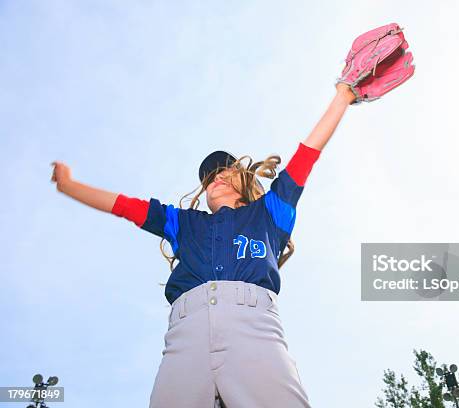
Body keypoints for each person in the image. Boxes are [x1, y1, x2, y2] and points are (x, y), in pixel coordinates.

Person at [51, 83, 357, 407]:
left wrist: (343, 96)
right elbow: (126, 206)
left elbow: (306, 156)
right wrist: (70, 186)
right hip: (187, 331)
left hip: (253, 326)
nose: (217, 177)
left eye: (226, 170)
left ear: (244, 179)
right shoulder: (183, 222)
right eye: (209, 177)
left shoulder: (270, 213)